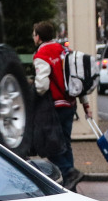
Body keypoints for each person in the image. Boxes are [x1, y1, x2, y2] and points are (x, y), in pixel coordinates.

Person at [32, 21, 80, 188]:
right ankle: (71, 184)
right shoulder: (65, 50)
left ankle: (68, 172)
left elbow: (42, 85)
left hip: (54, 106)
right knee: (65, 144)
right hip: (70, 104)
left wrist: (35, 91)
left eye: (34, 34)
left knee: (49, 145)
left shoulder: (42, 54)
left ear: (38, 37)